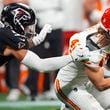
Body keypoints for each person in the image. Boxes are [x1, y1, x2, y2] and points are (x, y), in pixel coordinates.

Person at [55, 8, 110, 110]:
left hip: (88, 78)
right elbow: (100, 84)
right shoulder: (91, 49)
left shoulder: (103, 33)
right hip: (70, 85)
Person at [0, 3, 75, 77]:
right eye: (27, 27)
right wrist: (72, 57)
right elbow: (41, 65)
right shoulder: (8, 36)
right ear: (16, 23)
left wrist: (35, 41)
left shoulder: (6, 35)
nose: (30, 31)